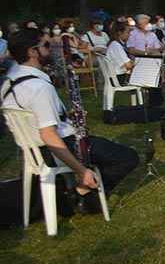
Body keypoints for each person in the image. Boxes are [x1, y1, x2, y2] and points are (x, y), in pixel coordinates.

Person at [2, 29, 139, 213]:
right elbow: (48, 135)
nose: (51, 50)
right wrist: (81, 171)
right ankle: (80, 193)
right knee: (128, 157)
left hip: (31, 151)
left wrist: (67, 117)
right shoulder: (39, 87)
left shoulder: (8, 80)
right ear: (32, 52)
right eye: (46, 46)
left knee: (106, 149)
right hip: (58, 149)